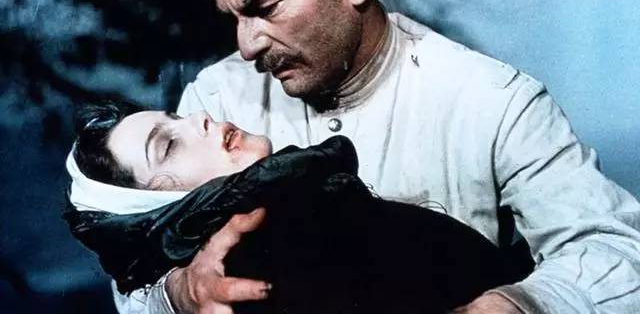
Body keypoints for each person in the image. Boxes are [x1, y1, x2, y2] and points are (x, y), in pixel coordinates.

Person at [113, 0, 640, 313]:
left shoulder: (497, 103)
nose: (247, 46)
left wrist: (512, 305)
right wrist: (178, 292)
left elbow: (617, 251)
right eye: (234, 18)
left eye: (266, 8)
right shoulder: (215, 98)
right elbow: (132, 269)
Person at [64, 102, 525, 314]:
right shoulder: (253, 273)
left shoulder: (307, 207)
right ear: (156, 210)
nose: (199, 117)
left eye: (176, 118)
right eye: (167, 146)